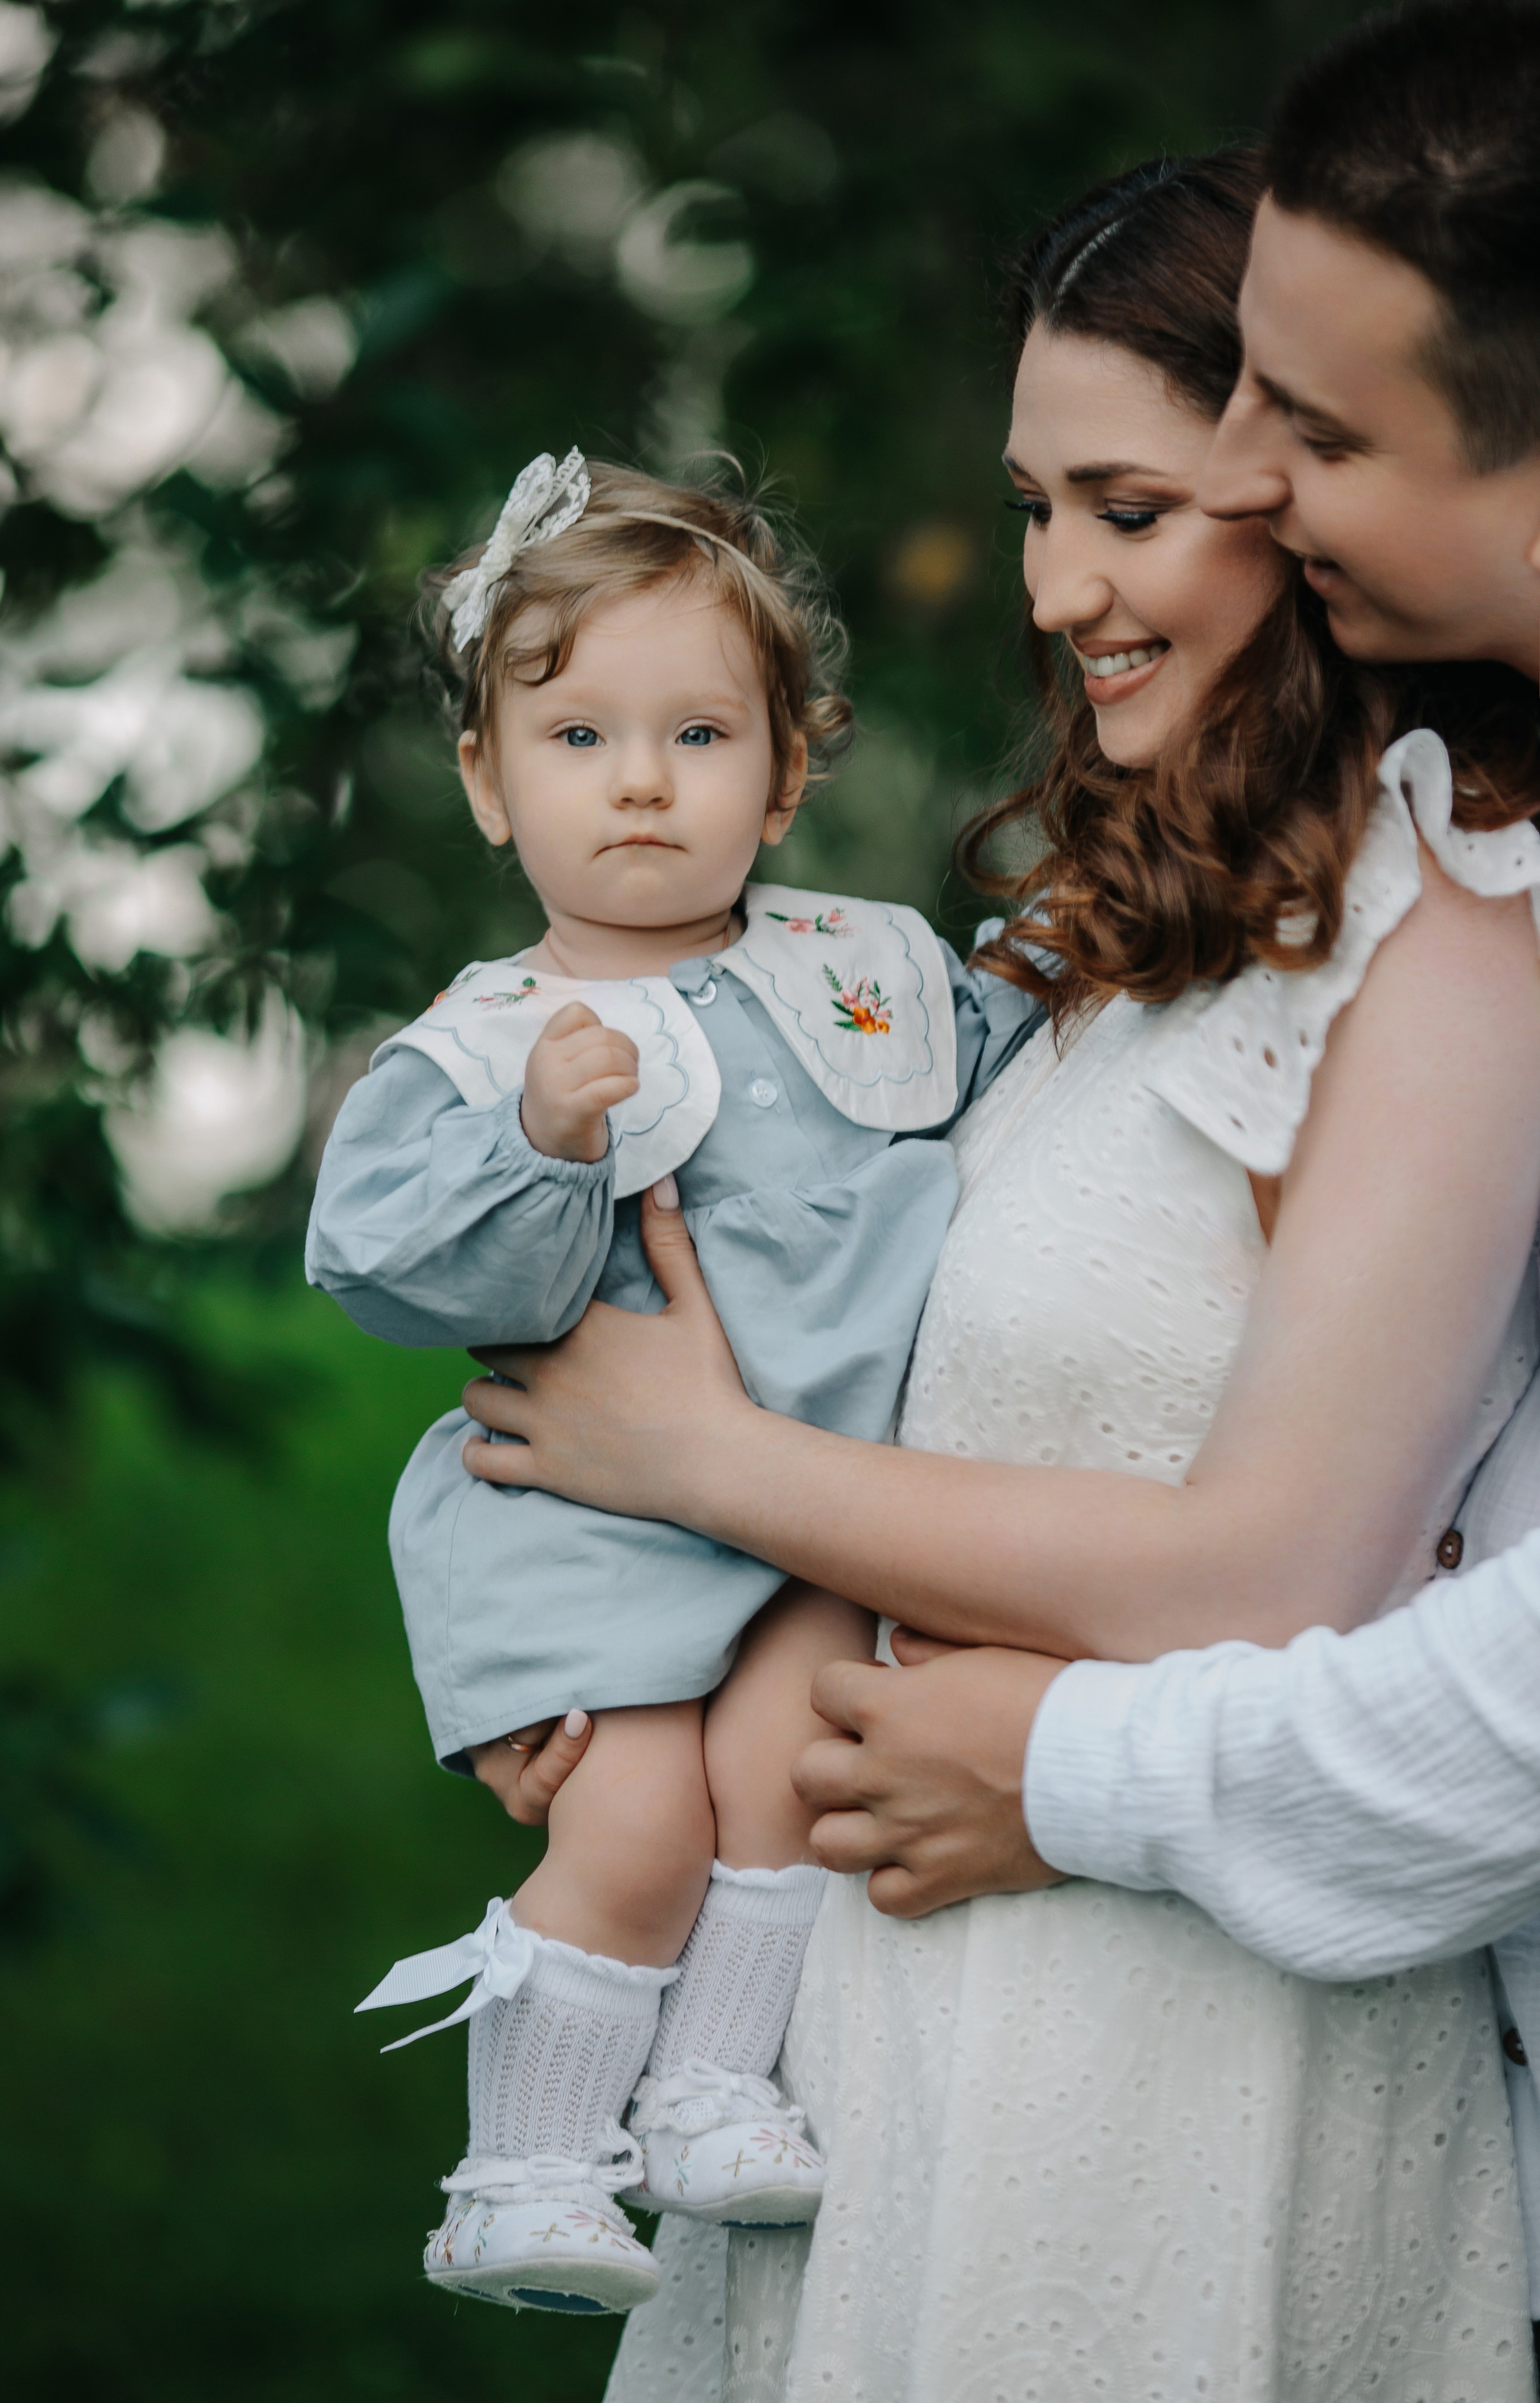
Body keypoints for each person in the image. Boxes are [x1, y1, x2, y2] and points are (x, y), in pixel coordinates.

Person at [460, 150, 1540, 2394]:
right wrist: (608, 1652)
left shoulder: (1452, 937)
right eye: (1035, 507)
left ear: (1302, 483)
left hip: (1189, 2049)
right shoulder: (1099, 956)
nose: (1057, 584)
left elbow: (1279, 1565)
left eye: (1126, 509)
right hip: (886, 2026)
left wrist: (707, 1463)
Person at [304, 454, 1041, 2314]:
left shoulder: (870, 969)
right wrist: (548, 1146)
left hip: (810, 1513)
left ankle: (717, 2089)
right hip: (592, 1518)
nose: (641, 778)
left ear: (786, 771)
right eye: (576, 734)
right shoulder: (484, 1048)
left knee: (793, 1767)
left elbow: (1031, 1051)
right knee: (635, 1825)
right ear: (489, 780)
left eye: (700, 731)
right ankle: (527, 2170)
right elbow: (388, 1268)